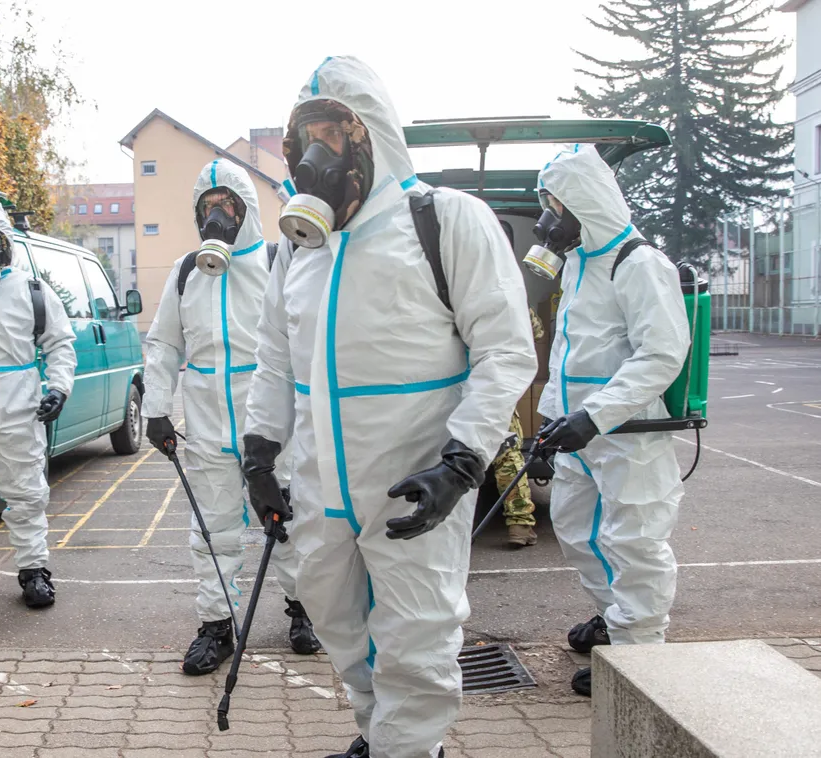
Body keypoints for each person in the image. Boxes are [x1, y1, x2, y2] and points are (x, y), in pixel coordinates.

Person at [244, 56, 536, 758]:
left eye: (331, 135)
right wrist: (259, 452)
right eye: (305, 139)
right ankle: (381, 736)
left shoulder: (443, 220)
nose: (316, 156)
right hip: (321, 482)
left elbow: (504, 350)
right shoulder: (297, 249)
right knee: (338, 622)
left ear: (367, 134)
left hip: (416, 473)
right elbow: (275, 358)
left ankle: (411, 749)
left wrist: (461, 462)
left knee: (416, 636)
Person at [143, 158, 320, 676]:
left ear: (247, 211)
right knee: (212, 530)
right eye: (208, 206)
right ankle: (217, 625)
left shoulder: (275, 262)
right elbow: (164, 343)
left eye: (227, 205)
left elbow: (302, 341)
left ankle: (304, 610)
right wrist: (156, 409)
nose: (217, 215)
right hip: (207, 427)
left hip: (269, 426)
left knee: (285, 521)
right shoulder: (187, 272)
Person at [532, 144, 690, 697]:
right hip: (579, 432)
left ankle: (638, 661)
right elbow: (566, 353)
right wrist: (550, 425)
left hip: (628, 435)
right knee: (577, 531)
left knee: (634, 542)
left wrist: (595, 415)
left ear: (586, 201)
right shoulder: (579, 262)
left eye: (555, 206)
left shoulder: (639, 264)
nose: (548, 219)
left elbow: (662, 354)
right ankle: (614, 616)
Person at [0, 200, 76, 609]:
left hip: (19, 403)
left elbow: (60, 344)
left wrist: (58, 388)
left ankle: (34, 569)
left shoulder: (32, 290)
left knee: (25, 491)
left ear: (7, 243)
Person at [493, 308, 548, 548]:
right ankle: (519, 524)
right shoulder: (503, 292)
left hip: (444, 386)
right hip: (493, 383)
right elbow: (536, 330)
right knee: (507, 454)